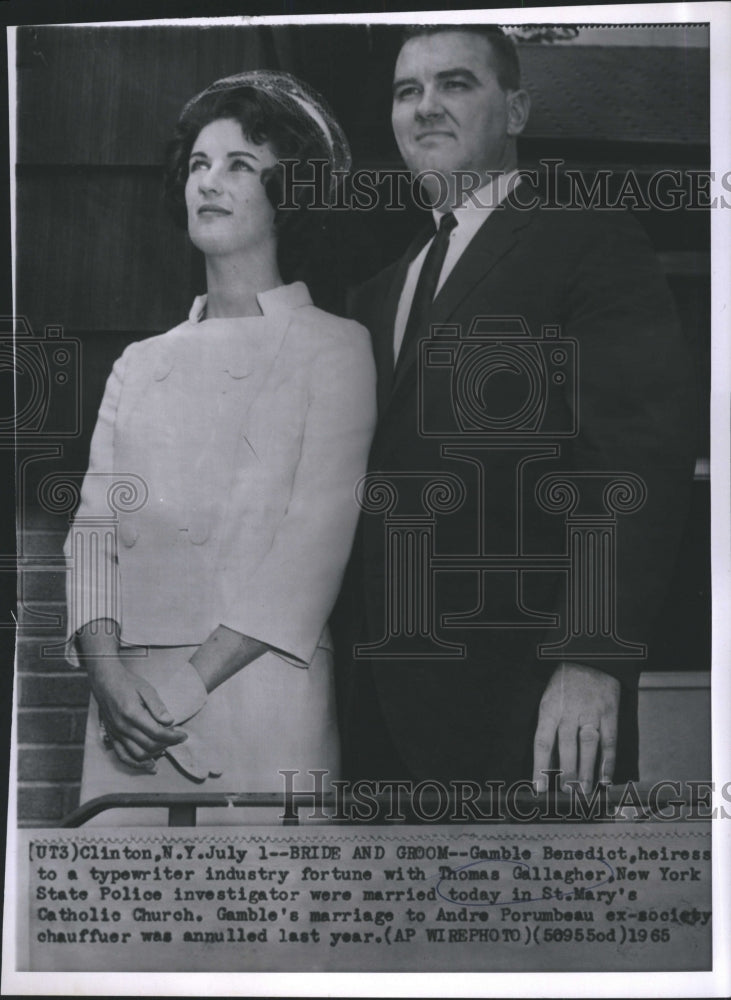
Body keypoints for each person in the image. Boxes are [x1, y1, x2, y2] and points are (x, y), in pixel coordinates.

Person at [338, 26, 696, 796]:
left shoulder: (589, 242)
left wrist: (591, 657)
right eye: (407, 92)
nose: (425, 107)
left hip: (526, 715)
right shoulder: (376, 291)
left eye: (455, 83)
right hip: (372, 719)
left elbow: (633, 463)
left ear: (518, 108)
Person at [64, 70, 376, 824]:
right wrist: (110, 680)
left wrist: (180, 691)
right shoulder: (139, 361)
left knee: (264, 929)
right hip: (125, 717)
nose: (211, 182)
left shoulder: (335, 347)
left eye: (241, 165)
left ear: (287, 194)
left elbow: (309, 555)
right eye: (200, 165)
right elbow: (92, 532)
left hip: (261, 697)